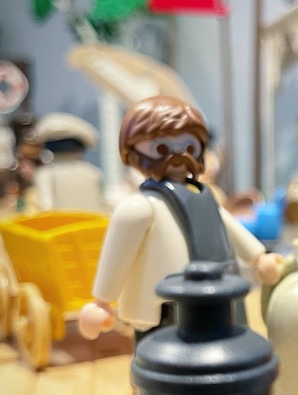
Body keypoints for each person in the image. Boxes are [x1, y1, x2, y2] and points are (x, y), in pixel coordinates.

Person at [79, 95, 282, 342]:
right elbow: (117, 255)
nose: (177, 156)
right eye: (161, 148)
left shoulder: (204, 196)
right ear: (132, 150)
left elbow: (227, 224)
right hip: (163, 307)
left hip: (218, 295)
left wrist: (258, 257)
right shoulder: (139, 208)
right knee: (160, 356)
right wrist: (102, 301)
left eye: (189, 147)